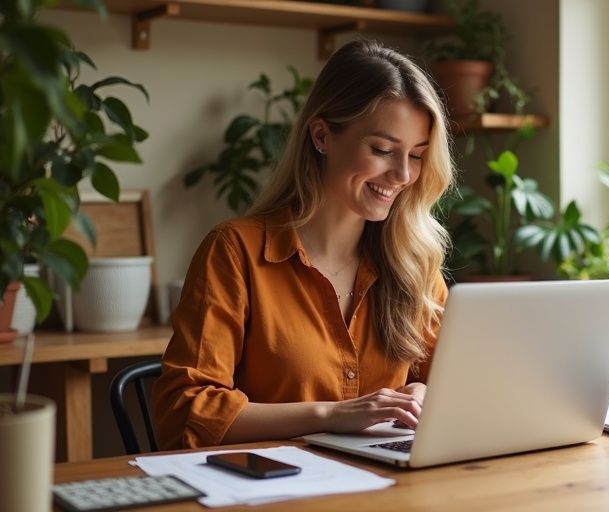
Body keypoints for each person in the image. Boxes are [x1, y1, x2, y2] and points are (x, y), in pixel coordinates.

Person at [151, 38, 455, 450]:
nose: (402, 174)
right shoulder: (235, 252)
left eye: (417, 155)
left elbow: (453, 386)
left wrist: (423, 397)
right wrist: (331, 415)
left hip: (385, 486)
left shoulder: (414, 263)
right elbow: (184, 410)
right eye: (382, 149)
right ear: (322, 136)